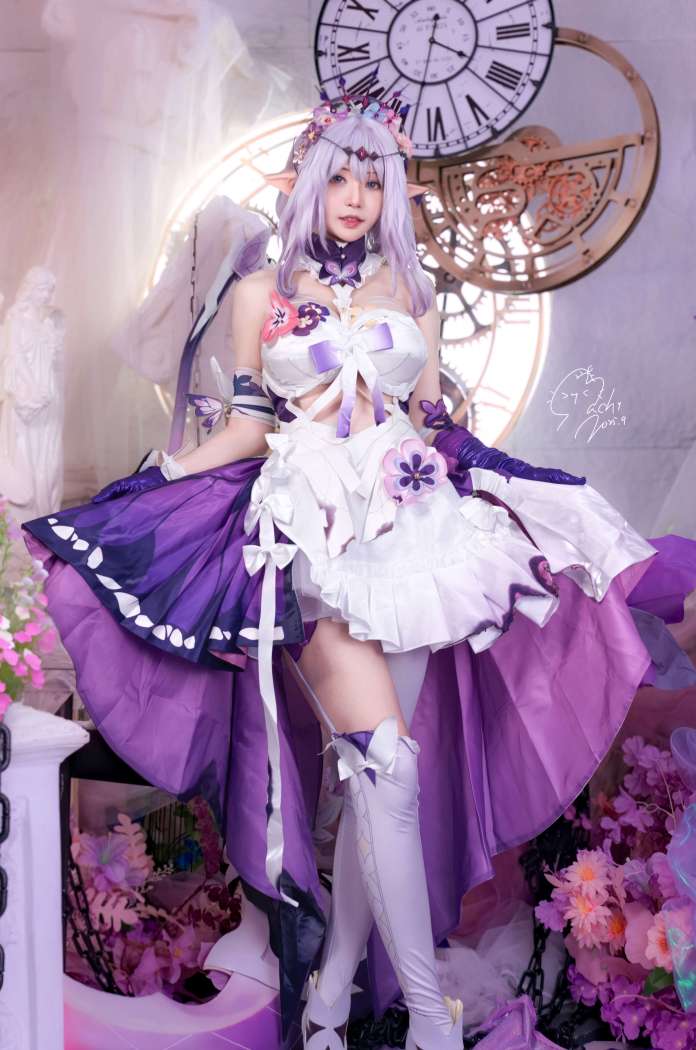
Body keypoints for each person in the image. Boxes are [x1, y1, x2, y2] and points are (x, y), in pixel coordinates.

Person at [23, 78, 696, 1050]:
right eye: (340, 177)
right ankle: (427, 1021)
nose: (355, 198)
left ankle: (333, 996)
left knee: (379, 786)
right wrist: (150, 484)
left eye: (373, 181)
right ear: (308, 181)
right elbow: (246, 427)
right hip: (312, 535)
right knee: (387, 766)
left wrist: (517, 487)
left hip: (413, 538)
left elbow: (430, 421)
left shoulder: (412, 293)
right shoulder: (260, 293)